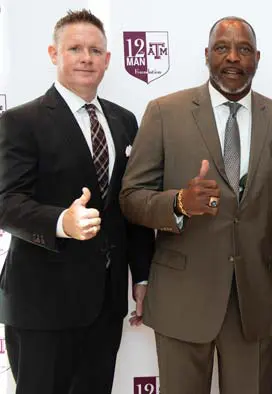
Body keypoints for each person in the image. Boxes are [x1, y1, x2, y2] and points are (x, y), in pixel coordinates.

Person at [119, 16, 272, 394]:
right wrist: (179, 203)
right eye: (222, 48)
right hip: (181, 299)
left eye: (243, 49)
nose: (232, 58)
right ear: (206, 55)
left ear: (257, 58)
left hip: (255, 300)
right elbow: (131, 198)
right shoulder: (163, 112)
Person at [0, 9, 154, 394]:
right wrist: (60, 222)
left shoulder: (125, 122)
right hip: (41, 304)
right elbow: (6, 202)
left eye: (95, 50)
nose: (86, 57)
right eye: (75, 48)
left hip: (105, 302)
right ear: (54, 54)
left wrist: (143, 274)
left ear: (107, 60)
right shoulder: (21, 121)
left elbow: (129, 206)